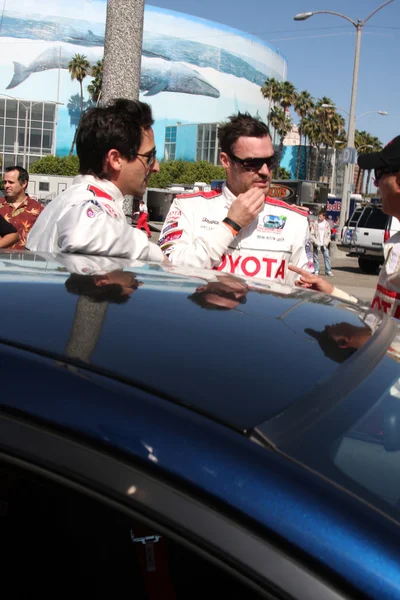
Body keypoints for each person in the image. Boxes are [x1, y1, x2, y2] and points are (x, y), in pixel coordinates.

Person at [158, 112, 312, 285]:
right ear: (225, 161)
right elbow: (167, 270)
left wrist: (306, 286)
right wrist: (230, 225)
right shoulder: (188, 207)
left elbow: (303, 290)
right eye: (252, 163)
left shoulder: (295, 221)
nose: (264, 171)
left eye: (270, 161)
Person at [26, 99, 163, 263]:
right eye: (149, 157)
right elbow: (81, 233)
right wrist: (154, 253)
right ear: (115, 159)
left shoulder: (68, 199)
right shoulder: (91, 202)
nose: (156, 167)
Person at [289, 135, 400, 318]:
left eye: (379, 173)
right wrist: (331, 292)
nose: (375, 183)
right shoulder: (395, 243)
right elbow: (378, 317)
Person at [0, 166, 44, 249]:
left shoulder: (39, 209)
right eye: (5, 182)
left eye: (11, 182)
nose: (6, 185)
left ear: (24, 183)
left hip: (25, 260)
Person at [310, 211, 334, 276]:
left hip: (324, 243)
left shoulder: (327, 224)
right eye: (319, 216)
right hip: (316, 242)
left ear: (324, 217)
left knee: (326, 256)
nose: (319, 217)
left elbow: (329, 234)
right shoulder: (315, 223)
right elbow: (312, 233)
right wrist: (314, 241)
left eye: (320, 216)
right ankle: (316, 270)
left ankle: (328, 270)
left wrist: (327, 241)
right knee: (315, 257)